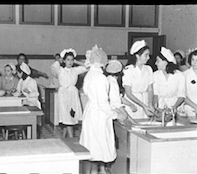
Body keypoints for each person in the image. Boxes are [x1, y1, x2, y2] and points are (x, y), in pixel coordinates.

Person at [79, 45, 127, 174]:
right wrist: (116, 115)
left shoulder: (90, 74)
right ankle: (97, 172)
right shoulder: (100, 78)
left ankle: (94, 171)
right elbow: (103, 103)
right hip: (98, 114)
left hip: (91, 112)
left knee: (93, 149)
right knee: (99, 147)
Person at [51, 48, 87, 138]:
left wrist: (76, 62)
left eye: (71, 60)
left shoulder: (75, 70)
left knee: (71, 116)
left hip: (72, 95)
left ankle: (65, 138)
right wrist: (59, 60)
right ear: (64, 60)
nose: (70, 62)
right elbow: (54, 67)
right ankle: (70, 139)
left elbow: (87, 67)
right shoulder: (61, 70)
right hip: (63, 95)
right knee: (65, 117)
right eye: (68, 60)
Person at [122, 40, 155, 119]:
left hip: (145, 101)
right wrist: (143, 106)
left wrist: (149, 104)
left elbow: (150, 89)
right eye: (146, 55)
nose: (148, 57)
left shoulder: (148, 69)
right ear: (137, 56)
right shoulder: (128, 70)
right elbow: (128, 93)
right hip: (133, 103)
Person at [153, 47, 185, 114]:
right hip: (161, 108)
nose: (155, 63)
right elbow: (155, 94)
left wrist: (174, 107)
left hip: (176, 108)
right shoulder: (155, 75)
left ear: (166, 62)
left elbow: (181, 96)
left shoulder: (180, 75)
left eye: (158, 61)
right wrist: (155, 105)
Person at [104, 60, 138, 124]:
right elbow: (117, 104)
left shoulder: (110, 79)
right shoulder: (112, 83)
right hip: (110, 114)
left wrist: (130, 104)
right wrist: (132, 121)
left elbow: (119, 98)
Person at [183, 46, 197, 117]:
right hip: (190, 108)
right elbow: (183, 95)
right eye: (193, 59)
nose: (194, 62)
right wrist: (196, 108)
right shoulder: (185, 75)